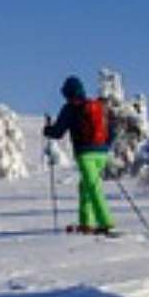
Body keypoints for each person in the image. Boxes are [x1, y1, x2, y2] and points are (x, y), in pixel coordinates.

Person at [43, 75, 115, 235]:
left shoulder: (69, 108)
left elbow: (57, 132)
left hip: (85, 153)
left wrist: (47, 129)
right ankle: (86, 223)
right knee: (86, 187)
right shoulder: (97, 106)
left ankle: (105, 222)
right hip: (102, 154)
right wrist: (104, 147)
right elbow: (112, 132)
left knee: (93, 187)